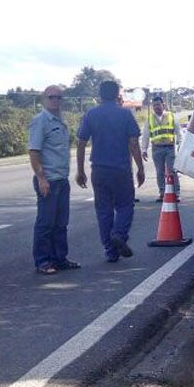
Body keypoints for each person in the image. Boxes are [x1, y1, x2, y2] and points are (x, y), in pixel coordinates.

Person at [76, 80, 145, 262]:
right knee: (125, 205)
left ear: (99, 95)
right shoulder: (125, 115)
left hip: (98, 169)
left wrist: (80, 170)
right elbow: (133, 143)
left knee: (104, 209)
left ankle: (110, 250)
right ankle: (119, 235)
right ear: (117, 95)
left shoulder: (91, 114)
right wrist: (140, 168)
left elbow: (81, 143)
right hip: (120, 169)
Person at [28, 85, 79, 274]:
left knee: (61, 223)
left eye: (59, 97)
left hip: (61, 179)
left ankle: (60, 258)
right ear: (44, 99)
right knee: (45, 224)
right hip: (48, 179)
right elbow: (34, 151)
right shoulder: (40, 121)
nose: (56, 100)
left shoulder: (60, 120)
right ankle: (43, 261)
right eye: (52, 97)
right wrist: (41, 178)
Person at [141, 94, 180, 201]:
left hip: (169, 148)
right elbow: (145, 135)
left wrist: (180, 144)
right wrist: (144, 149)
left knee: (172, 170)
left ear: (163, 105)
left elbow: (178, 131)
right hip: (156, 148)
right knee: (159, 171)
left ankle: (176, 193)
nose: (156, 107)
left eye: (158, 105)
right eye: (154, 105)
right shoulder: (149, 119)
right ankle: (162, 193)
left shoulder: (171, 116)